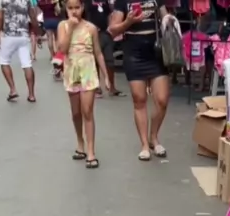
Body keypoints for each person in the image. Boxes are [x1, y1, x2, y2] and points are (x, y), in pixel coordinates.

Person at [108, 0, 172, 160]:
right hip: (134, 54)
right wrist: (129, 21)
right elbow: (113, 30)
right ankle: (144, 144)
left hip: (156, 52)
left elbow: (166, 18)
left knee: (162, 100)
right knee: (139, 99)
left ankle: (153, 137)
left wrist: (169, 20)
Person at [57, 0, 110, 168]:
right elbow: (62, 49)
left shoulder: (91, 28)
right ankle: (80, 142)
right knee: (76, 113)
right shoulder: (63, 26)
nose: (74, 11)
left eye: (77, 8)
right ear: (66, 9)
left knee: (87, 111)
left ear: (82, 8)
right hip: (71, 72)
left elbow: (98, 53)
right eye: (70, 8)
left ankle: (91, 151)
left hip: (88, 72)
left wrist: (106, 76)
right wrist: (71, 28)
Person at [0, 0, 38, 102]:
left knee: (4, 61)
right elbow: (32, 16)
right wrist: (37, 32)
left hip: (8, 35)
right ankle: (31, 95)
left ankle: (13, 90)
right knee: (27, 64)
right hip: (24, 35)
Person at [84, 0, 123, 96]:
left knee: (110, 61)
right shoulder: (87, 2)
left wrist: (110, 28)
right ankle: (97, 87)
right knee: (95, 61)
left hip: (105, 33)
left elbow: (109, 14)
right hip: (92, 34)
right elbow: (85, 15)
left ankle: (111, 86)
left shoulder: (105, 2)